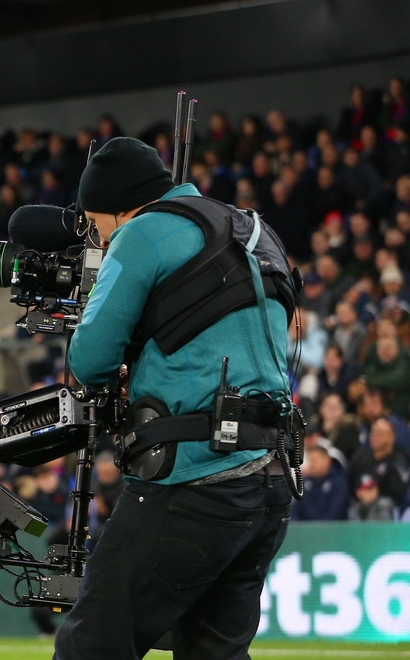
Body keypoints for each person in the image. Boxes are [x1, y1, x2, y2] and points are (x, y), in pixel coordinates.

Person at [55, 137, 299, 659]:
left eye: (98, 225)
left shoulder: (141, 234)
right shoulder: (253, 228)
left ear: (119, 207)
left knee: (91, 645)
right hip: (272, 479)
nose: (100, 238)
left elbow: (90, 359)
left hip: (194, 478)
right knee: (214, 652)